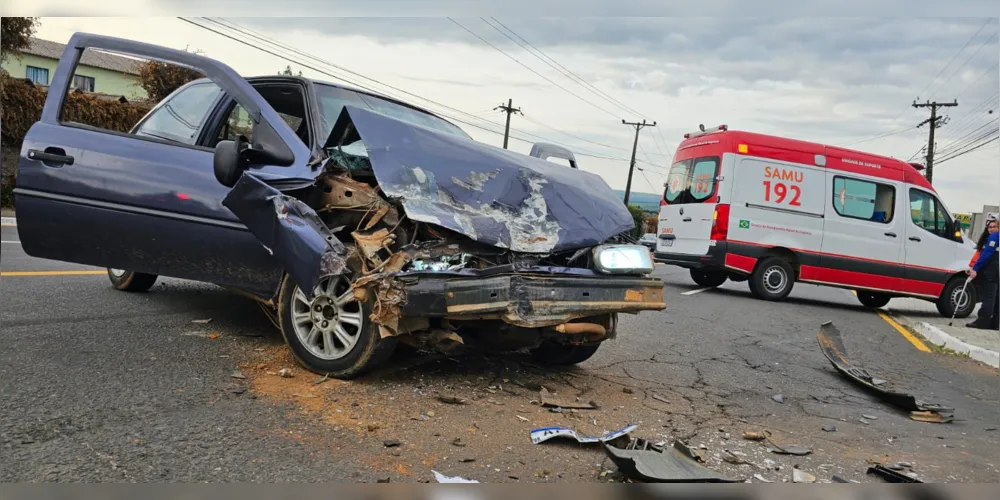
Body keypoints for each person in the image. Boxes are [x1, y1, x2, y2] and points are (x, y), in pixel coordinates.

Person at [966, 217, 998, 329]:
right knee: (997, 297)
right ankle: (995, 323)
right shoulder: (989, 238)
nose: (992, 229)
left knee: (989, 297)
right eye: (990, 227)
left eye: (994, 226)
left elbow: (986, 254)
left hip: (992, 269)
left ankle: (982, 321)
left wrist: (975, 268)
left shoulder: (994, 237)